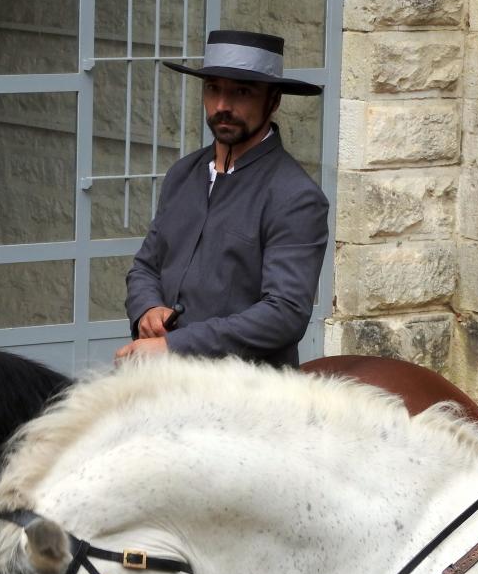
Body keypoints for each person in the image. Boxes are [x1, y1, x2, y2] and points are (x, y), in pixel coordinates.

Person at [117, 29, 329, 366]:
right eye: (213, 88)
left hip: (248, 384)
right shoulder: (183, 174)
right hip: (164, 372)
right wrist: (148, 308)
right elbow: (146, 266)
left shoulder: (295, 196)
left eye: (242, 92)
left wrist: (176, 345)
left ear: (274, 100)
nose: (222, 106)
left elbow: (285, 313)